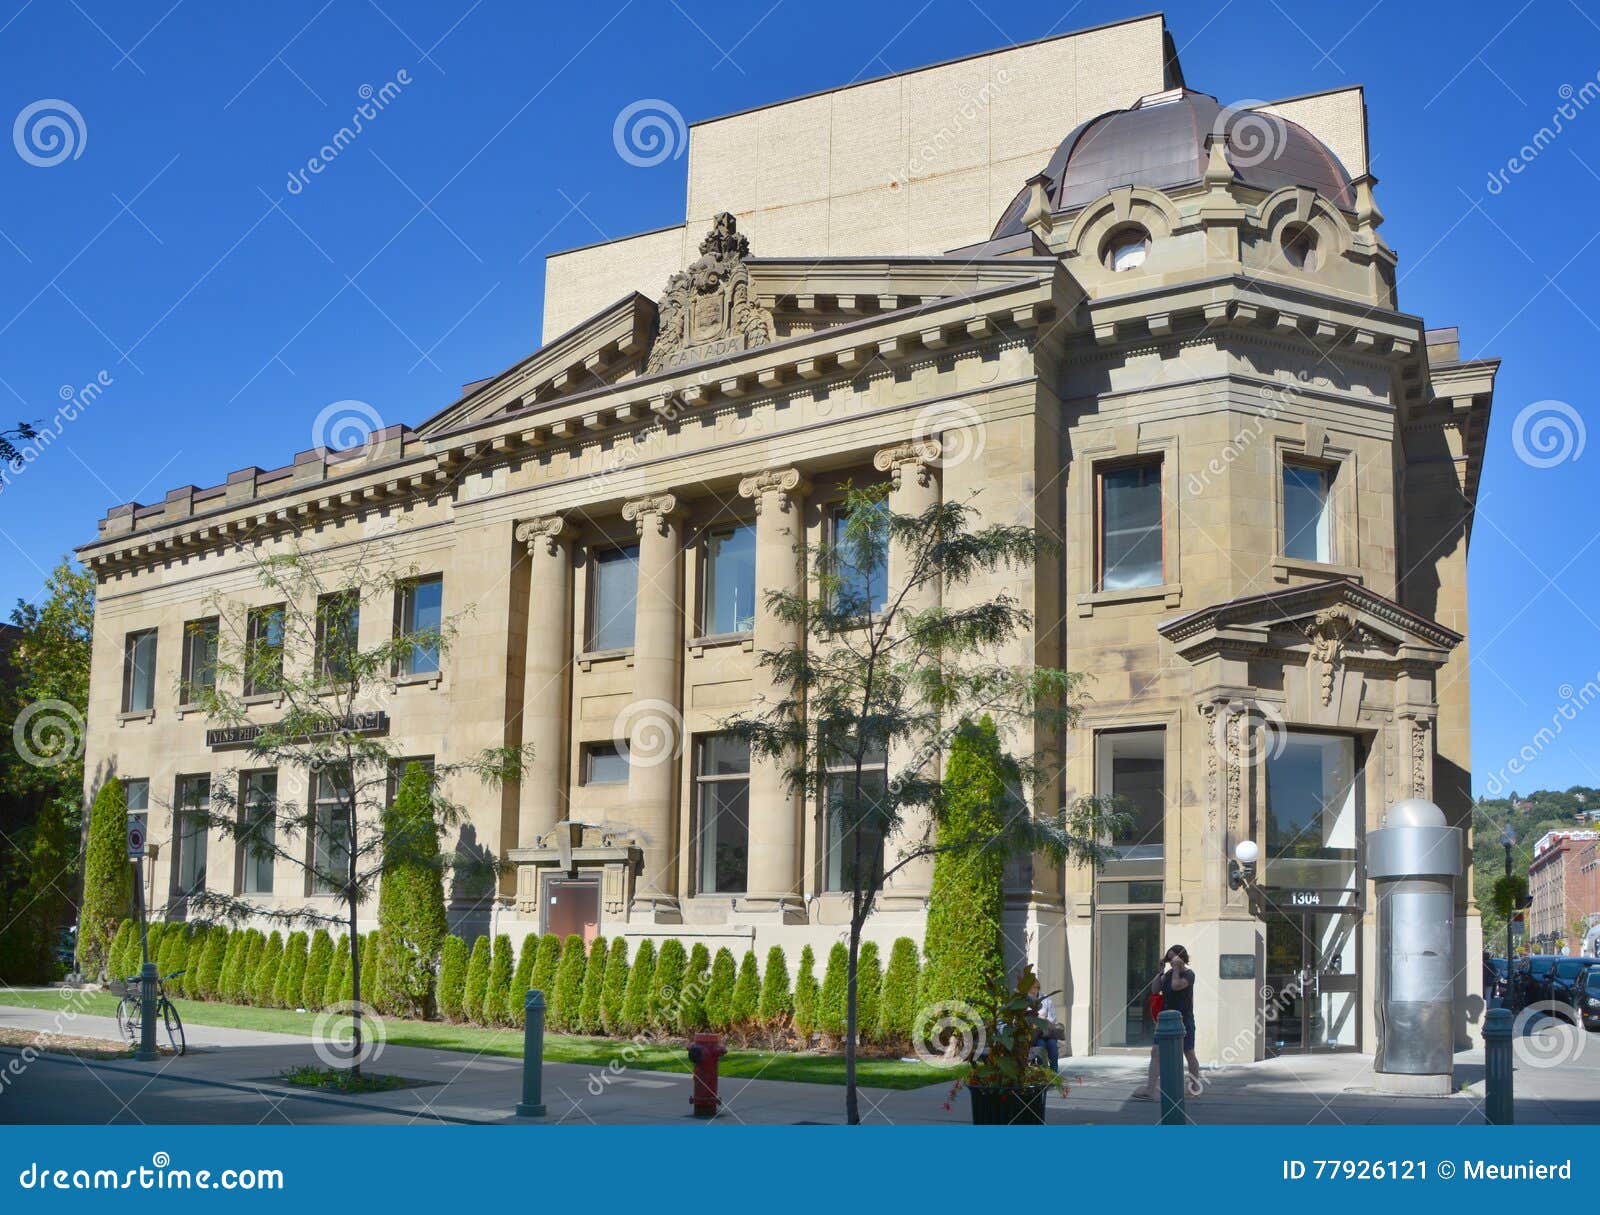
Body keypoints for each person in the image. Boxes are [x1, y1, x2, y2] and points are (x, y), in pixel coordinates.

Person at [1131, 945, 1200, 1100]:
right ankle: (1150, 1088)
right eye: (1169, 959)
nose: (1171, 962)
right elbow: (1155, 989)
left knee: (1188, 1053)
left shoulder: (1189, 974)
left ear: (1182, 958)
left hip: (1184, 1020)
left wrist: (1176, 968)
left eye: (1173, 958)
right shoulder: (1168, 974)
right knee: (1155, 1051)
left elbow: (1176, 986)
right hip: (1165, 1020)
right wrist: (1160, 972)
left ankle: (1195, 1087)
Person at [1028, 976, 1060, 1071]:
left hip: (1047, 1032)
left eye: (1036, 988)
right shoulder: (1024, 1000)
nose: (1034, 991)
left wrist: (1043, 1019)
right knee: (1041, 1045)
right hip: (1034, 1034)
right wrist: (1038, 1018)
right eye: (1031, 988)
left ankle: (1054, 1072)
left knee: (1052, 1045)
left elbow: (1052, 1018)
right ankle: (1043, 1072)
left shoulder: (1045, 999)